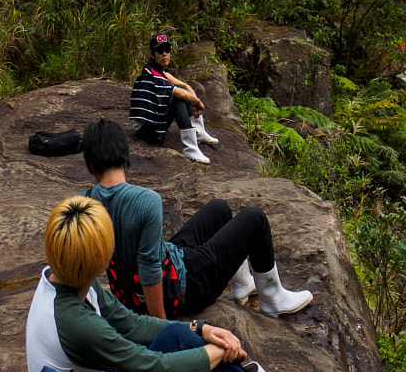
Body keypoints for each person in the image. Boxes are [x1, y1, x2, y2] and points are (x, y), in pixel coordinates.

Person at [25, 196, 320, 372]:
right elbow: (152, 367)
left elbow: (130, 323)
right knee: (179, 346)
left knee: (181, 338)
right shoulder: (76, 323)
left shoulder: (64, 277)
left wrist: (199, 329)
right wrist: (213, 352)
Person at [80, 119, 315, 320]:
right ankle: (272, 298)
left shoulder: (83, 203)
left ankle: (243, 285)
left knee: (219, 209)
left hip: (143, 285)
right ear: (125, 158)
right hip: (184, 288)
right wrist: (162, 330)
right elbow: (149, 271)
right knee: (255, 219)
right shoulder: (145, 201)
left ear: (91, 165)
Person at [132, 32, 218, 164]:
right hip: (148, 131)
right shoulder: (151, 75)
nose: (164, 54)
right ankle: (190, 148)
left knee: (181, 92)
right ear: (152, 54)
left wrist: (193, 100)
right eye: (160, 51)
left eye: (167, 50)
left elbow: (183, 85)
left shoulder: (158, 71)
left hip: (152, 124)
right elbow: (181, 94)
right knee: (178, 97)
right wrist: (198, 102)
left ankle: (198, 132)